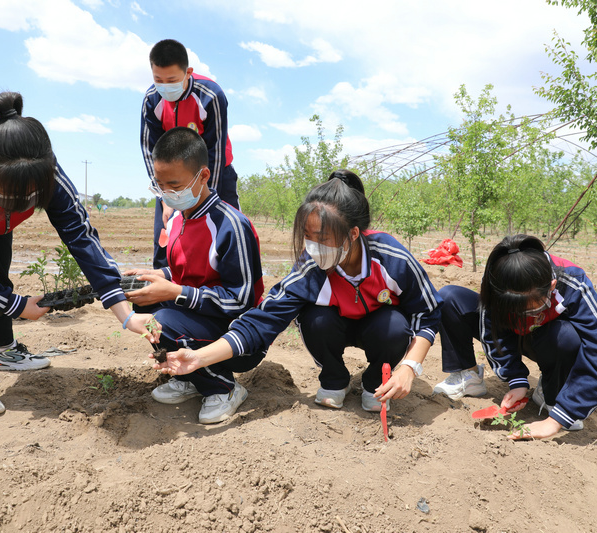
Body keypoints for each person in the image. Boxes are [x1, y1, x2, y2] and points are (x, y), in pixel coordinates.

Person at [0, 91, 159, 418]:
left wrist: (125, 314)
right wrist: (14, 305)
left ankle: (3, 350)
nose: (23, 207)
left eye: (31, 198)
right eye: (12, 198)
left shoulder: (41, 167)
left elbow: (80, 235)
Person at [152, 170, 443, 413]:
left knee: (393, 325)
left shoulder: (391, 258)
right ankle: (335, 378)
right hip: (334, 327)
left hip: (380, 329)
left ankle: (375, 382)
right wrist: (200, 357)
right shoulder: (311, 266)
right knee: (316, 319)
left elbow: (428, 313)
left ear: (353, 234)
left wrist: (409, 366)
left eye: (323, 238)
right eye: (307, 236)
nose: (313, 246)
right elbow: (261, 322)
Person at [125, 127, 265, 424]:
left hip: (240, 332)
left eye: (174, 185)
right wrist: (156, 275)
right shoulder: (178, 219)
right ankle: (189, 377)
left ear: (203, 176)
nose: (167, 194)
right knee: (143, 298)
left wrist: (175, 292)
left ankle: (224, 387)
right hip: (203, 313)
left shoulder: (230, 225)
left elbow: (242, 300)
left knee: (162, 321)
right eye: (160, 186)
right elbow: (187, 271)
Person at [434, 235, 597, 439]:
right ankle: (468, 376)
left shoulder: (574, 284)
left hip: (547, 339)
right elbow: (490, 329)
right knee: (450, 297)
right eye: (513, 309)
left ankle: (552, 391)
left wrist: (556, 421)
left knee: (566, 336)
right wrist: (517, 380)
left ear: (552, 286)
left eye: (531, 309)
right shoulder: (499, 277)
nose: (523, 315)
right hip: (512, 334)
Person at [141, 39, 238, 269]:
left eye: (172, 80)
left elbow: (216, 151)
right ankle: (164, 297)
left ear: (188, 73)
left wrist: (205, 199)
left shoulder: (210, 96)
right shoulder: (151, 100)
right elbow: (149, 150)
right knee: (165, 238)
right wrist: (165, 196)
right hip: (171, 180)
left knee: (222, 234)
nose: (164, 87)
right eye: (158, 80)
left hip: (214, 174)